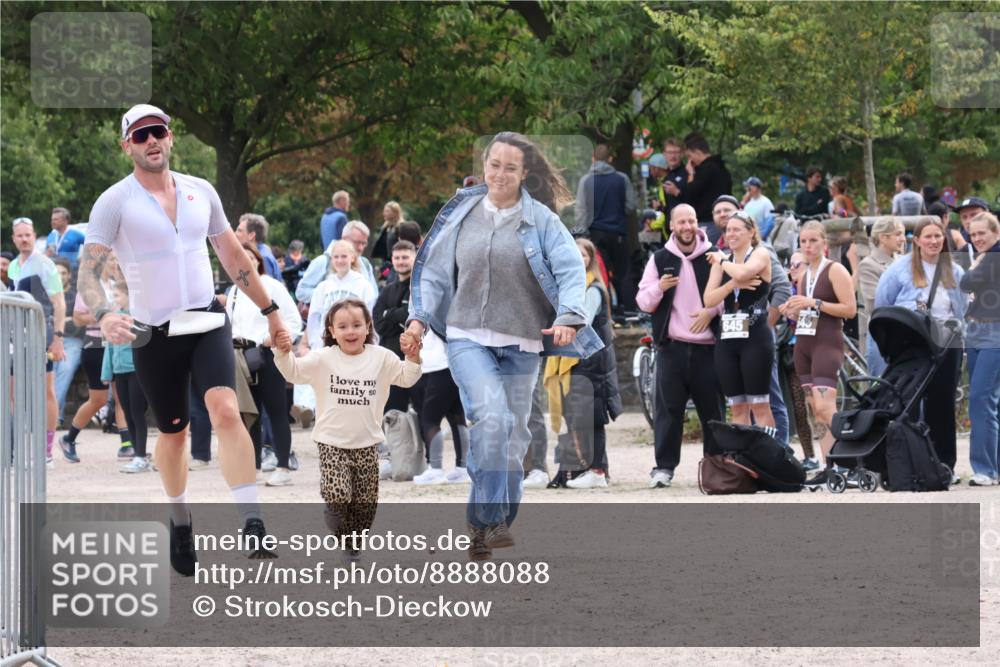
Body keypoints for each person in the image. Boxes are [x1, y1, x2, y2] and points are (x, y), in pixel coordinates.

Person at [78, 103, 288, 575]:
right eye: (140, 136)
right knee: (174, 434)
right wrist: (106, 313)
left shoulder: (201, 191)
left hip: (207, 320)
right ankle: (179, 521)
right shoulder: (115, 201)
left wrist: (270, 311)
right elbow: (89, 270)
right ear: (127, 146)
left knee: (226, 410)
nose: (151, 141)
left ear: (170, 137)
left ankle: (252, 520)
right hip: (153, 332)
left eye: (158, 132)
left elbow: (233, 256)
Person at [403, 131, 601, 560]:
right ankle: (492, 522)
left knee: (512, 442)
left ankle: (481, 524)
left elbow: (570, 270)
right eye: (494, 165)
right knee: (492, 420)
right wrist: (418, 320)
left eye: (511, 168)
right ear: (484, 165)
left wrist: (569, 316)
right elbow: (434, 273)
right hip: (467, 337)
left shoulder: (542, 220)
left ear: (524, 172)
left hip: (522, 343)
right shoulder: (462, 213)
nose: (500, 174)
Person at [272, 298, 422, 562]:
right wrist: (282, 352)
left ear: (368, 327)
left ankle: (352, 545)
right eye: (342, 326)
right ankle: (336, 514)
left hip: (368, 443)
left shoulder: (381, 357)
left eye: (356, 325)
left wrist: (412, 357)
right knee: (338, 494)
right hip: (332, 442)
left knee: (365, 506)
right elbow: (293, 372)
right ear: (332, 330)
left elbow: (406, 377)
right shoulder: (323, 358)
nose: (350, 331)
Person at [635, 204, 725, 488]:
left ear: (698, 223)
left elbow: (731, 294)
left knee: (713, 412)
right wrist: (660, 288)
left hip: (708, 348)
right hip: (671, 347)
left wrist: (712, 311)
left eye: (691, 221)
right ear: (672, 226)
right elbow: (643, 301)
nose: (687, 227)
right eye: (681, 222)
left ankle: (716, 466)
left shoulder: (714, 256)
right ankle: (664, 468)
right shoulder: (660, 259)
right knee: (667, 412)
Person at [874, 219, 966, 481]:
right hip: (913, 341)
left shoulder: (955, 271)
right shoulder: (899, 270)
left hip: (946, 341)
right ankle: (907, 461)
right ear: (917, 240)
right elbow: (883, 304)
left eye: (938, 236)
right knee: (907, 401)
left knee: (942, 403)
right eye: (928, 236)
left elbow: (961, 308)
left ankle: (944, 463)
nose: (934, 241)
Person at [780, 221, 857, 487]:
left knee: (826, 407)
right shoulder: (804, 276)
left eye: (813, 241)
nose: (808, 246)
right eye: (803, 241)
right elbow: (807, 312)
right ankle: (829, 464)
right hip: (804, 344)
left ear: (824, 243)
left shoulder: (835, 270)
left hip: (826, 342)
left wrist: (814, 302)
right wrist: (793, 310)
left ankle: (850, 460)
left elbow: (849, 309)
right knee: (815, 409)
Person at [226, 242, 302, 486]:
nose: (245, 262)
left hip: (267, 353)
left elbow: (293, 321)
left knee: (276, 411)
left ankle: (283, 466)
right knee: (249, 414)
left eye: (250, 257)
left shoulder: (272, 286)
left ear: (258, 261)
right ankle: (254, 467)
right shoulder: (234, 290)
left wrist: (274, 339)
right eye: (240, 258)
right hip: (239, 355)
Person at [550, 238, 621, 489]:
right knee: (578, 418)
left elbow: (583, 321)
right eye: (575, 254)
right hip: (576, 361)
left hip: (591, 363)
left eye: (584, 255)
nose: (580, 259)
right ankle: (585, 468)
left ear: (591, 260)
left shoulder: (593, 290)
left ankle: (597, 470)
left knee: (592, 418)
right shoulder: (568, 288)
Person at [703, 211, 775, 428]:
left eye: (736, 229)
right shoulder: (723, 261)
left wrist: (722, 261)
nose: (731, 234)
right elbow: (709, 300)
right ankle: (743, 449)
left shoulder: (760, 253)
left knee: (759, 405)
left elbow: (744, 273)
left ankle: (767, 449)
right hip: (728, 339)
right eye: (728, 230)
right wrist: (731, 285)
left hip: (756, 337)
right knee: (737, 407)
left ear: (751, 232)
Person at [10, 217, 66, 465]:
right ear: (14, 238)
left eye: (28, 235)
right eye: (20, 235)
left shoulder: (45, 264)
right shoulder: (13, 266)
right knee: (12, 392)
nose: (24, 239)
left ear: (34, 236)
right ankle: (13, 449)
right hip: (15, 336)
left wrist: (58, 338)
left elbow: (59, 302)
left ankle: (46, 452)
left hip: (41, 334)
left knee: (45, 391)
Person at [959, 212, 1000, 486]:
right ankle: (992, 468)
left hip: (994, 332)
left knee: (980, 398)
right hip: (976, 331)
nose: (976, 238)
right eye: (972, 234)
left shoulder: (993, 256)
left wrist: (975, 265)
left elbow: (967, 283)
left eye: (982, 233)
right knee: (989, 401)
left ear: (996, 232)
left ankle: (985, 469)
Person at [575, 143, 638, 312]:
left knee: (600, 272)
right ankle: (630, 311)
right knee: (624, 273)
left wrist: (581, 235)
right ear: (610, 159)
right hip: (618, 233)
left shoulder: (586, 181)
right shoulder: (622, 179)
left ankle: (606, 311)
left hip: (596, 234)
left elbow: (581, 210)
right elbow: (631, 205)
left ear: (593, 159)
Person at [409, 327, 472, 485]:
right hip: (452, 365)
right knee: (457, 418)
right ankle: (463, 468)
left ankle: (435, 469)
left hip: (437, 366)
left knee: (430, 419)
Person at [100, 308, 151, 473]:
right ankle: (138, 453)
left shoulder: (140, 316)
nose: (115, 298)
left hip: (136, 372)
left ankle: (141, 455)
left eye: (118, 295)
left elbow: (145, 343)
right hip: (119, 373)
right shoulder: (114, 319)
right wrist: (106, 373)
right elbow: (109, 348)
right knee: (128, 414)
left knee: (137, 413)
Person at [781, 252, 818, 469]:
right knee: (799, 405)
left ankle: (834, 458)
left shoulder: (816, 288)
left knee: (818, 405)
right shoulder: (788, 290)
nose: (792, 268)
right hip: (793, 351)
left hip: (817, 350)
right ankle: (810, 456)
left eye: (798, 264)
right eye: (791, 264)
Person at [306, 240, 377, 350]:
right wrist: (316, 344)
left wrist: (370, 345)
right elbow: (314, 317)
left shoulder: (364, 286)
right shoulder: (323, 287)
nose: (340, 260)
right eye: (336, 257)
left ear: (352, 258)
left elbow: (371, 317)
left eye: (344, 256)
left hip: (355, 344)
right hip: (327, 345)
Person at [857, 217, 906, 375]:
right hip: (883, 336)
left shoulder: (905, 261)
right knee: (883, 385)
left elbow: (921, 299)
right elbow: (876, 305)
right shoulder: (868, 265)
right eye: (898, 234)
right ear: (883, 238)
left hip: (909, 333)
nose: (903, 239)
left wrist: (920, 306)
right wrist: (911, 304)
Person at [373, 240, 416, 413]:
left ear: (414, 258)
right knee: (393, 415)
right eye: (397, 258)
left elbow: (410, 316)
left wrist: (389, 314)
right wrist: (398, 320)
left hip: (416, 360)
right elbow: (378, 323)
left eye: (405, 257)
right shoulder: (387, 290)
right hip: (391, 362)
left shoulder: (419, 288)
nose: (400, 261)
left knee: (422, 417)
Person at [666, 132, 732, 227]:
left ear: (697, 152)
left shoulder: (705, 170)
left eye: (689, 156)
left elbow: (690, 195)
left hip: (707, 221)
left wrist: (690, 174)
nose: (690, 160)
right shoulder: (721, 168)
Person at [52, 257, 84, 425]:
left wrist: (60, 321)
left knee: (64, 369)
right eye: (57, 273)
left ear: (69, 275)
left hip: (73, 341)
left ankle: (51, 417)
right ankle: (55, 417)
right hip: (50, 341)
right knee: (49, 372)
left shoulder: (77, 295)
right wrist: (66, 320)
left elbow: (79, 323)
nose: (60, 276)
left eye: (63, 273)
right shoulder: (47, 294)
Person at [235, 213, 281, 281]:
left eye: (239, 230)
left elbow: (265, 285)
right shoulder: (261, 253)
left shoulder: (262, 258)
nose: (235, 234)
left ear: (251, 235)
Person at [949, 196, 990, 268]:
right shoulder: (959, 243)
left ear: (987, 215)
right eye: (964, 217)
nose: (968, 221)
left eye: (973, 215)